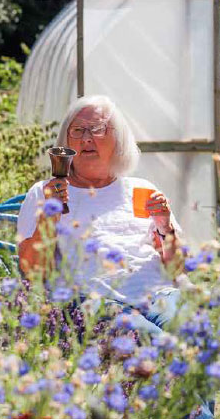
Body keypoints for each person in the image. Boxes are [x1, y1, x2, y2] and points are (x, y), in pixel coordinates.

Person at [17, 95, 185, 335]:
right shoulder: (46, 193)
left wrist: (165, 228)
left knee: (193, 332)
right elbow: (31, 270)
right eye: (77, 130)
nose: (86, 138)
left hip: (159, 295)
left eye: (97, 129)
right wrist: (49, 216)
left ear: (118, 139)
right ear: (66, 141)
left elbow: (178, 269)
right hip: (94, 301)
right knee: (154, 341)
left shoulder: (142, 190)